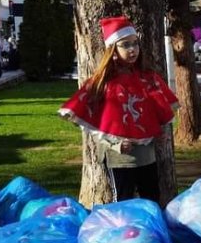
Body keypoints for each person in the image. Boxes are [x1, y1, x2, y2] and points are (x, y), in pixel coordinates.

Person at [60, 16, 178, 203]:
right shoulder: (103, 84)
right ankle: (122, 232)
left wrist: (159, 130)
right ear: (113, 50)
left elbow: (159, 111)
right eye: (125, 45)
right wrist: (114, 144)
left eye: (135, 44)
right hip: (119, 157)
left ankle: (151, 231)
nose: (133, 49)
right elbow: (94, 121)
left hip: (147, 156)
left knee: (152, 199)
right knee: (123, 202)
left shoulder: (148, 79)